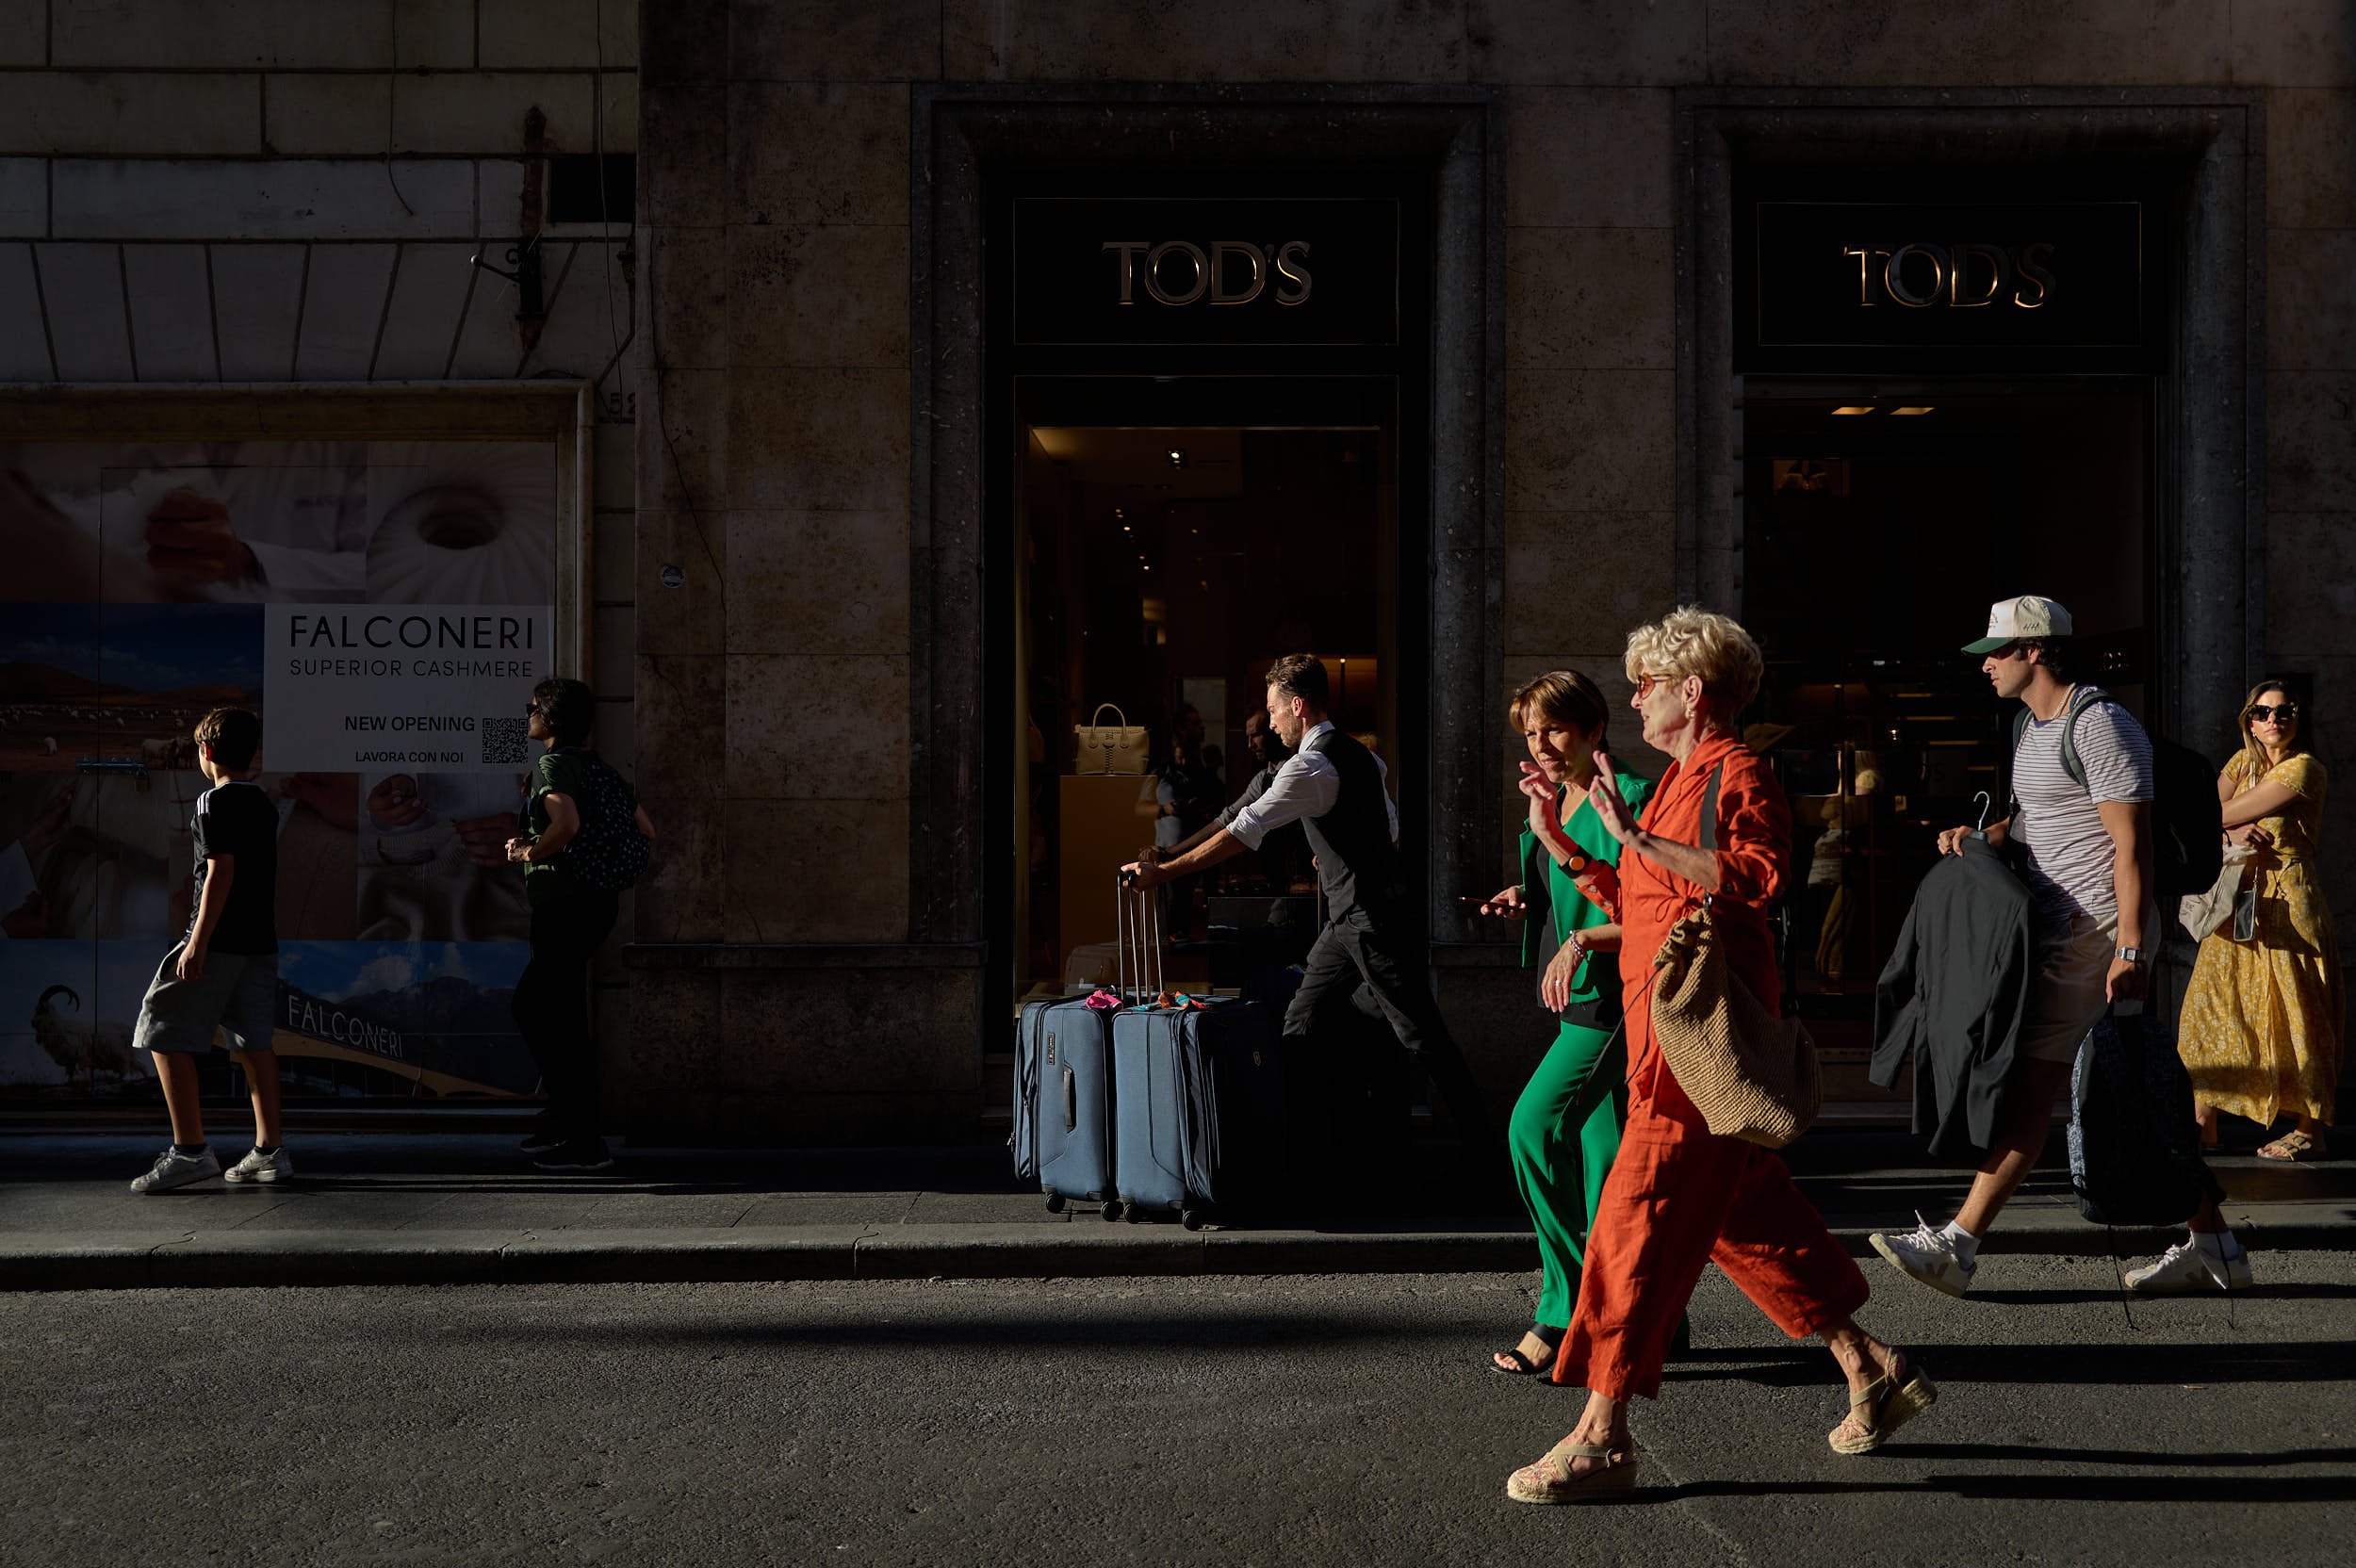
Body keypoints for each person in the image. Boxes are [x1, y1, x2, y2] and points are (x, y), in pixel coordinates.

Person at [1509, 608, 1929, 1504]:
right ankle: (1871, 1367)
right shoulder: (1673, 779)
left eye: (1647, 684)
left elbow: (1760, 876)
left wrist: (1637, 837)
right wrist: (1561, 845)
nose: (1634, 698)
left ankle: (1603, 1434)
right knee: (1745, 1217)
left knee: (1632, 1223)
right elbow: (1637, 897)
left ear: (1691, 693)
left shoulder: (1734, 770)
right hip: (1667, 1035)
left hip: (1699, 1044)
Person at [1871, 596, 2245, 1298]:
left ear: (2036, 651)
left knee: (2031, 1089)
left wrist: (2130, 953)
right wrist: (1982, 838)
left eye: (1998, 653)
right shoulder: (2029, 726)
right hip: (2049, 932)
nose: (1987, 666)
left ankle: (1959, 1243)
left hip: (2094, 932)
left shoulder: (2100, 725)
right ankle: (2215, 1241)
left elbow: (2131, 847)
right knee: (2124, 1093)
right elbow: (2039, 816)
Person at [1121, 653, 1497, 1167]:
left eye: (1274, 710)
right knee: (1304, 1020)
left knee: (1420, 1035)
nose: (1270, 721)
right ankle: (1303, 1147)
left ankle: (1489, 1154)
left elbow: (1240, 833)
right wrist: (1338, 850)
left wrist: (1164, 873)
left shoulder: (1309, 766)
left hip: (1372, 921)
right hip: (1350, 921)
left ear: (1297, 707)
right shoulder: (1362, 756)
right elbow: (1386, 831)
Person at [1475, 671, 1652, 1377]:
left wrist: (1581, 939)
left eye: (1554, 728)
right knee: (1608, 1172)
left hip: (1611, 999)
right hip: (1576, 997)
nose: (1542, 744)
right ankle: (1649, 1318)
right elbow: (1576, 879)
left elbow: (1648, 910)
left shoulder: (1629, 796)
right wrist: (1532, 894)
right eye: (1530, 732)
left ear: (1593, 728)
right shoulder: (1557, 796)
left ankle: (1563, 1309)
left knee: (1531, 1129)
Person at [126, 708, 291, 1193]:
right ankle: (269, 1152)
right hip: (258, 942)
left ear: (206, 753)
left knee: (161, 1027)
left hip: (217, 940)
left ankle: (191, 1152)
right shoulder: (263, 803)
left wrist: (196, 942)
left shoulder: (210, 803)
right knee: (253, 1044)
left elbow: (220, 872)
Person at [2180, 680, 2343, 1161]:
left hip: (2289, 900)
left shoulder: (2305, 769)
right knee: (2211, 1005)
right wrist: (2229, 826)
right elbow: (2201, 812)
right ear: (2249, 719)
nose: (2274, 719)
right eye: (2263, 712)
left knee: (2299, 1014)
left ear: (2299, 718)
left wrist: (2225, 820)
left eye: (2285, 711)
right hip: (2238, 901)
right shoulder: (2241, 762)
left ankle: (2310, 1128)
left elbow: (2218, 810)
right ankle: (2201, 1125)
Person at [503, 678, 656, 1173]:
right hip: (596, 903)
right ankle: (565, 1121)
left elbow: (565, 823)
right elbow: (646, 829)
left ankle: (581, 1134)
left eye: (534, 707)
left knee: (534, 1006)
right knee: (560, 1014)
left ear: (549, 718)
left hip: (564, 906)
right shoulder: (600, 768)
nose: (528, 713)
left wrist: (528, 849)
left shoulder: (552, 764)